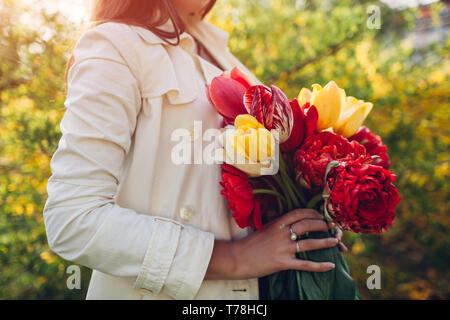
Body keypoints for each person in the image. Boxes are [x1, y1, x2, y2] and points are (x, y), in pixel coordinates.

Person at [43, 0, 345, 300]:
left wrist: (306, 218)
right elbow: (73, 218)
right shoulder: (113, 45)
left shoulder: (215, 46)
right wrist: (232, 258)